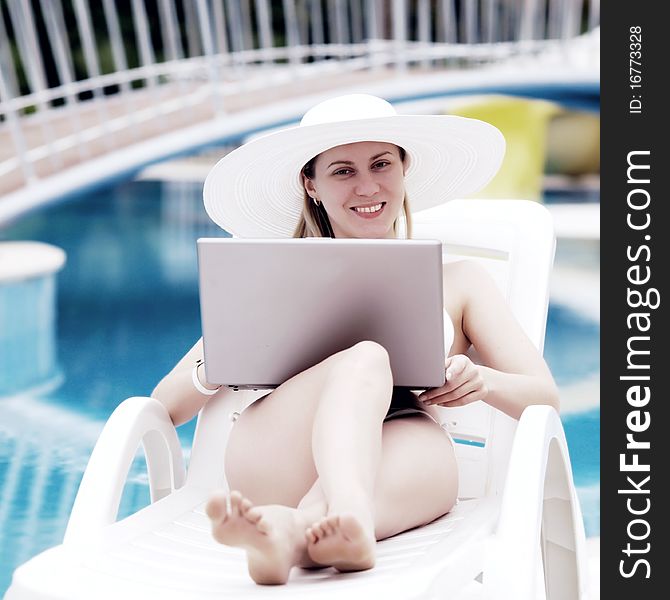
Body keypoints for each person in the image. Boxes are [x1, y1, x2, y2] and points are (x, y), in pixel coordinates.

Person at [151, 94, 559, 585]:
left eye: (381, 163)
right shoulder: (279, 277)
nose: (368, 185)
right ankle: (347, 515)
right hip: (281, 454)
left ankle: (295, 534)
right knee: (365, 359)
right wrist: (220, 360)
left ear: (404, 168)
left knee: (434, 457)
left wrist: (482, 382)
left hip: (401, 447)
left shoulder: (462, 282)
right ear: (312, 185)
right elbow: (164, 407)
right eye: (343, 171)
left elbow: (545, 397)